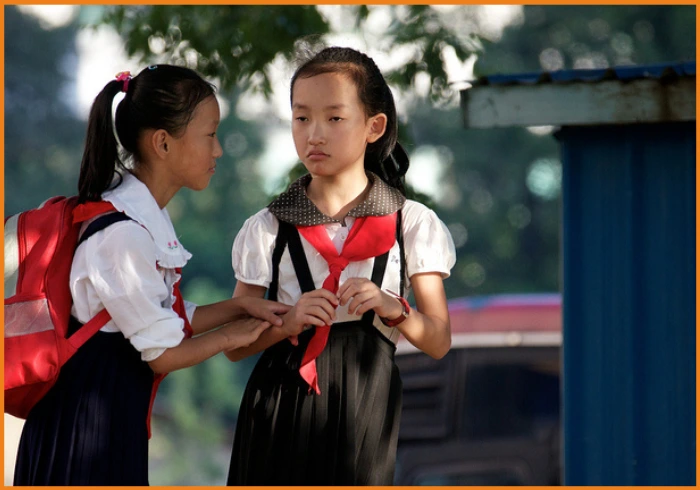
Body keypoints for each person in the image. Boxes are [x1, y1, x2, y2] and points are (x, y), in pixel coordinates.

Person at [13, 65, 289, 486]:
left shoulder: (140, 221)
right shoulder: (122, 236)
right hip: (81, 439)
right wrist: (233, 336)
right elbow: (161, 351)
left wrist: (237, 307)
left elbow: (156, 317)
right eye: (210, 135)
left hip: (105, 430)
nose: (217, 151)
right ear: (163, 142)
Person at [225, 46, 456, 485]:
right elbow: (236, 345)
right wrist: (289, 322)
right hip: (280, 401)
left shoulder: (413, 223)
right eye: (301, 118)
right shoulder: (266, 228)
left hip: (366, 402)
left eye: (334, 118)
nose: (315, 134)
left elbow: (440, 340)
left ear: (374, 126)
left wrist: (394, 308)